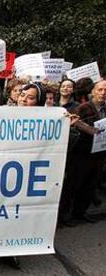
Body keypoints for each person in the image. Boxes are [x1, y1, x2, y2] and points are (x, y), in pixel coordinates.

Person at [60, 79, 106, 226]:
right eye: (100, 90)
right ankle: (64, 215)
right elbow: (71, 123)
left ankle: (80, 213)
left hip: (99, 156)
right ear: (92, 92)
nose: (103, 93)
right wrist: (85, 128)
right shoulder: (83, 108)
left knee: (90, 186)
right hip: (81, 155)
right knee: (73, 186)